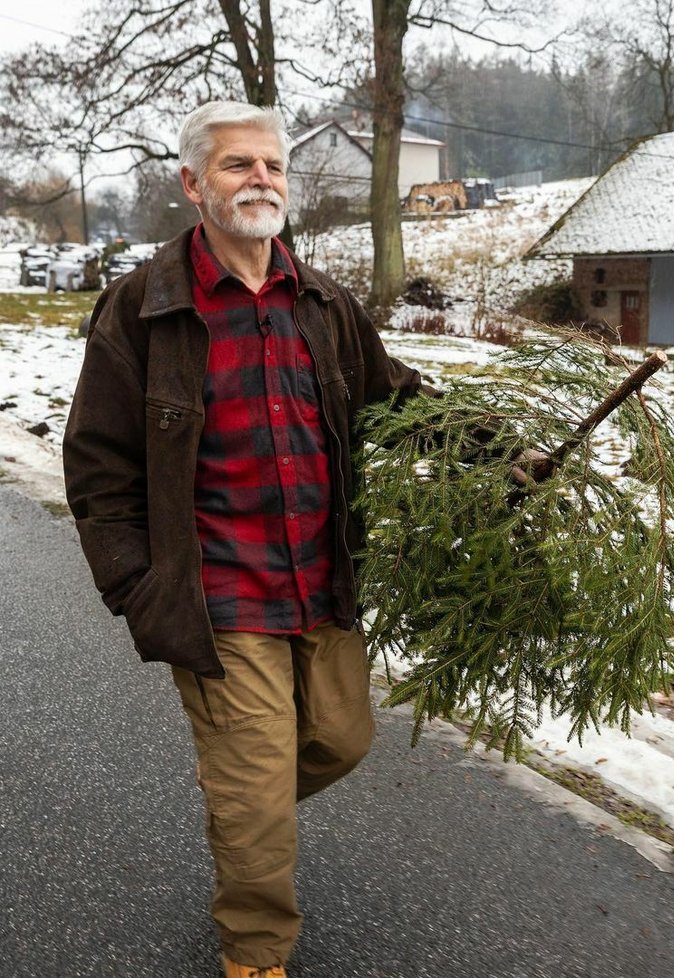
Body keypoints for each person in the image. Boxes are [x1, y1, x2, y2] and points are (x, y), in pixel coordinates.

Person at [63, 100, 425, 978]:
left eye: (271, 165)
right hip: (219, 596)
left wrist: (497, 448)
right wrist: (138, 589)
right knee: (261, 808)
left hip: (320, 582)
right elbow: (97, 463)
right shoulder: (144, 309)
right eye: (237, 165)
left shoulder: (323, 303)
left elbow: (400, 399)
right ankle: (255, 953)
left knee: (341, 741)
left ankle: (241, 792)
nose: (260, 178)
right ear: (193, 185)